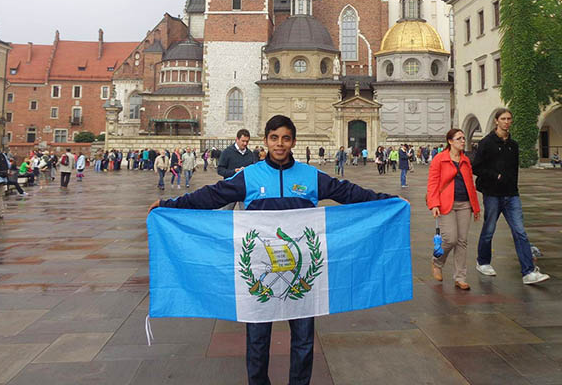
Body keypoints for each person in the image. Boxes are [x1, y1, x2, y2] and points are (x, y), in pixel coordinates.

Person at [148, 114, 397, 385]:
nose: (280, 144)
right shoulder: (250, 176)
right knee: (257, 341)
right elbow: (211, 195)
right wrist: (171, 204)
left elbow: (349, 193)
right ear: (265, 141)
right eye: (274, 138)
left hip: (302, 274)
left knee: (303, 340)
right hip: (259, 274)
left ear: (293, 142)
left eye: (286, 138)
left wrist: (387, 201)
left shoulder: (310, 176)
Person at [473, 108, 550, 285]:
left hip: (511, 194)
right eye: (503, 119)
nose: (507, 122)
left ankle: (528, 272)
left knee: (520, 231)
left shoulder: (513, 145)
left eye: (509, 119)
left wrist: (513, 187)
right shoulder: (486, 143)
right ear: (496, 121)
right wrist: (495, 175)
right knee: (489, 230)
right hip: (492, 194)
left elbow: (514, 170)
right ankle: (483, 261)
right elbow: (476, 167)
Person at [426, 129, 480, 290]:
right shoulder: (439, 159)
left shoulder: (465, 160)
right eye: (459, 138)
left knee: (462, 241)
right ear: (450, 141)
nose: (463, 141)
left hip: (465, 203)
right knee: (450, 238)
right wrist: (434, 204)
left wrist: (475, 207)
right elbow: (433, 183)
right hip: (446, 203)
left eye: (464, 138)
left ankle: (460, 277)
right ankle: (437, 262)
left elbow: (470, 183)